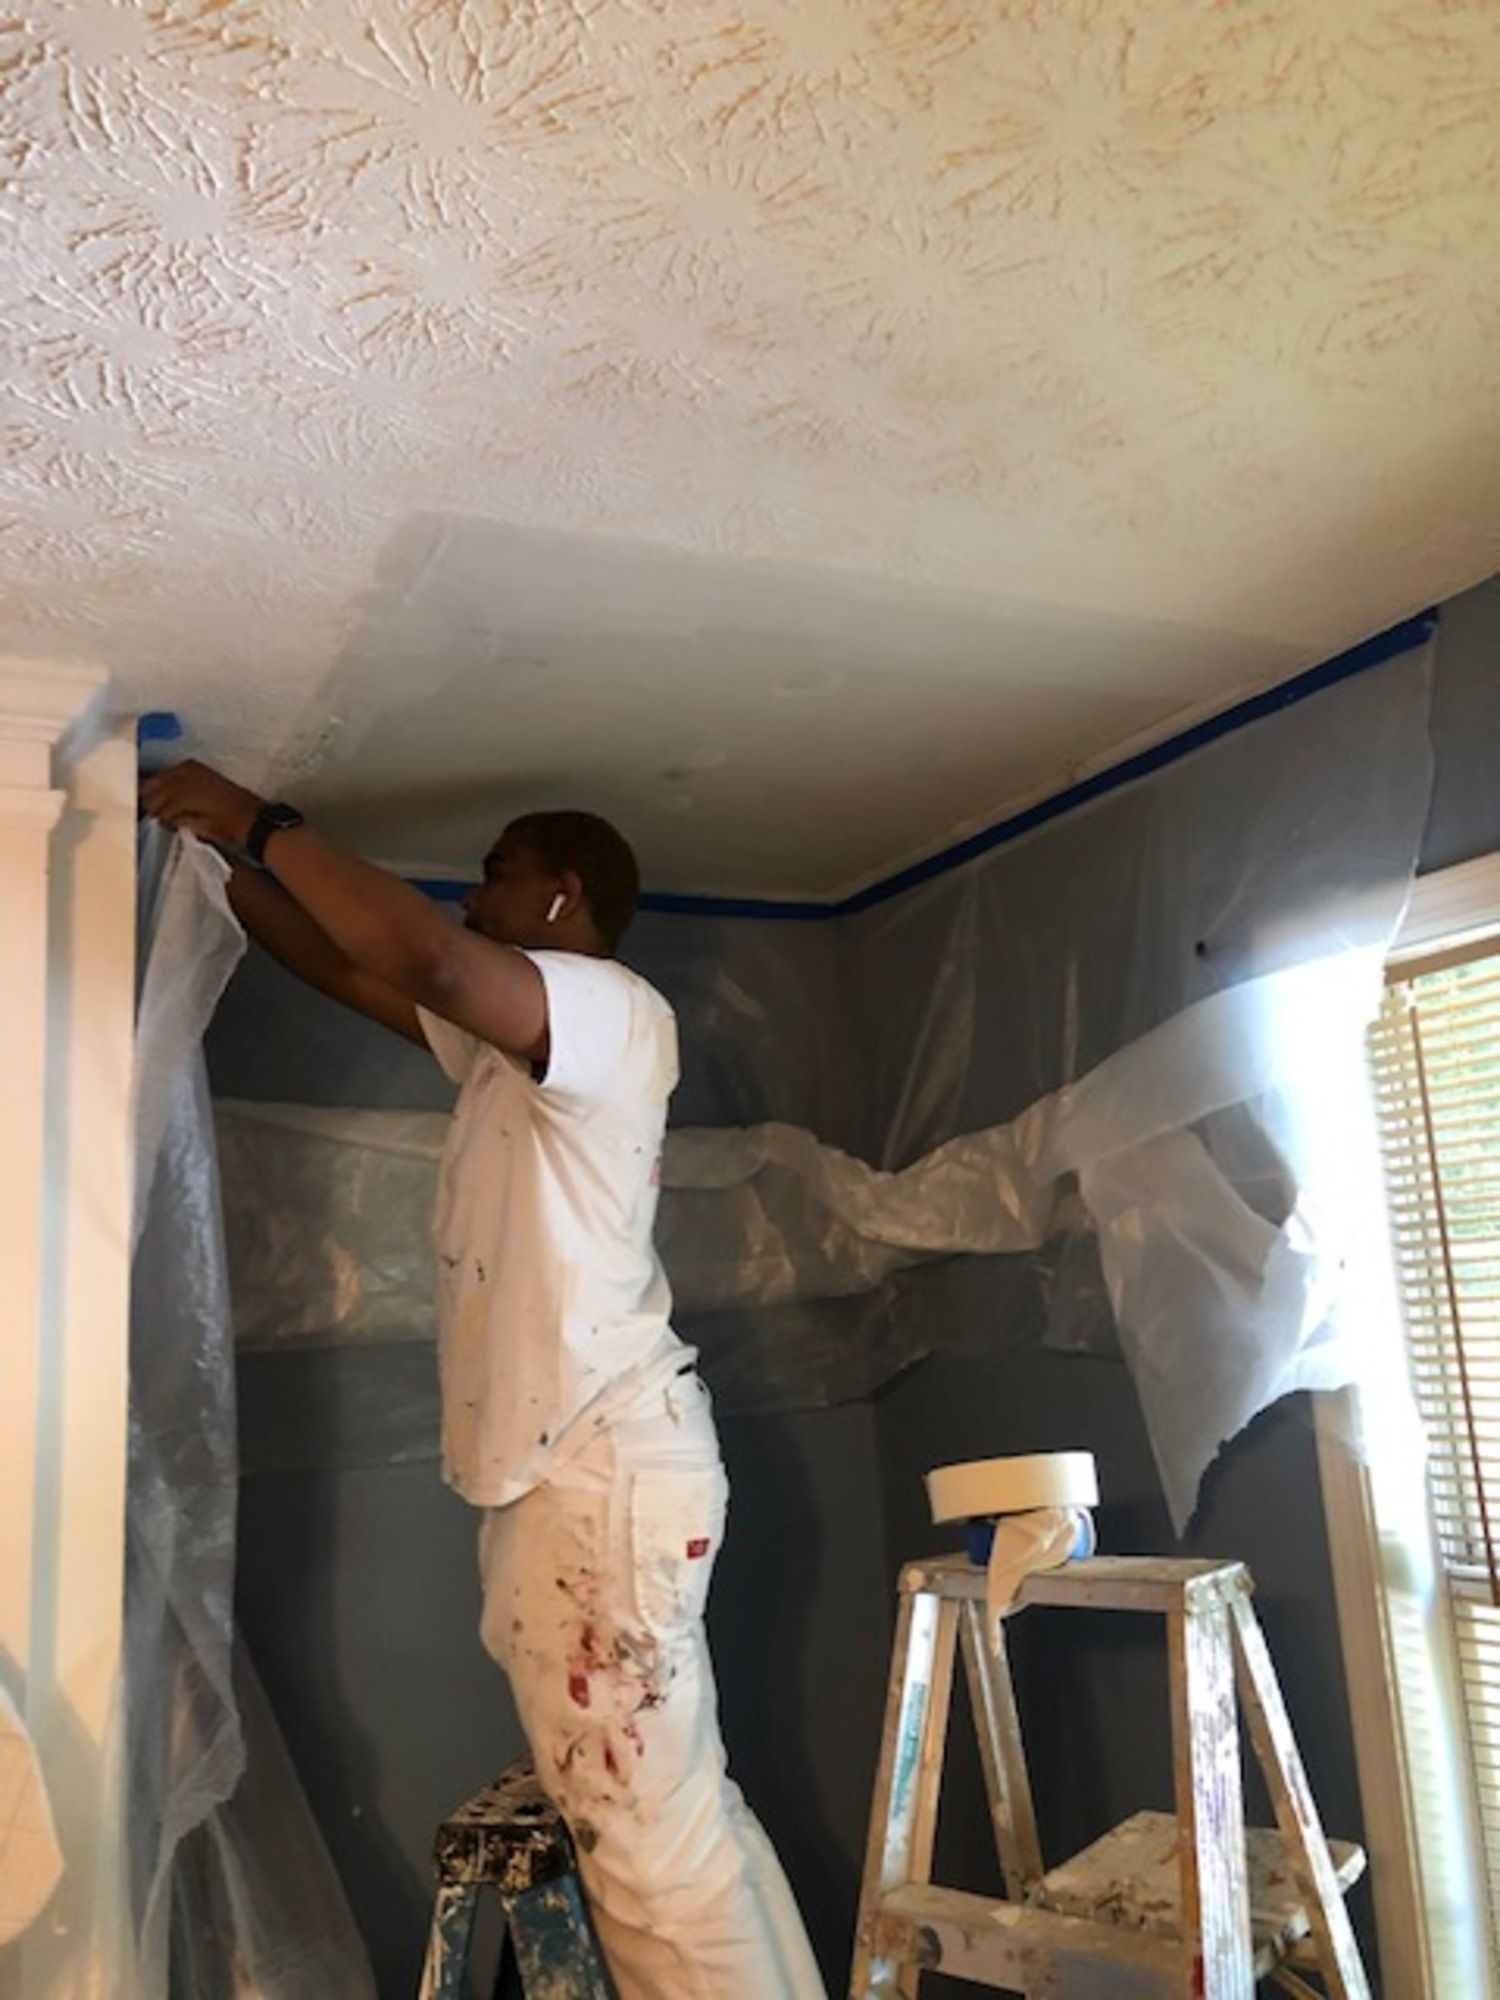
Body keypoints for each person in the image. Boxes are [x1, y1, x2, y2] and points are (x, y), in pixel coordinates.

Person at [142, 762, 827, 2000]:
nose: (471, 891)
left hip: (601, 1468)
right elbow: (364, 970)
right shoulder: (517, 1058)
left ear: (566, 900)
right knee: (674, 1822)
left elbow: (435, 959)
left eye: (498, 871)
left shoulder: (612, 1010)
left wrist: (260, 819)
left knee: (643, 1845)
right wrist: (222, 877)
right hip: (579, 1472)